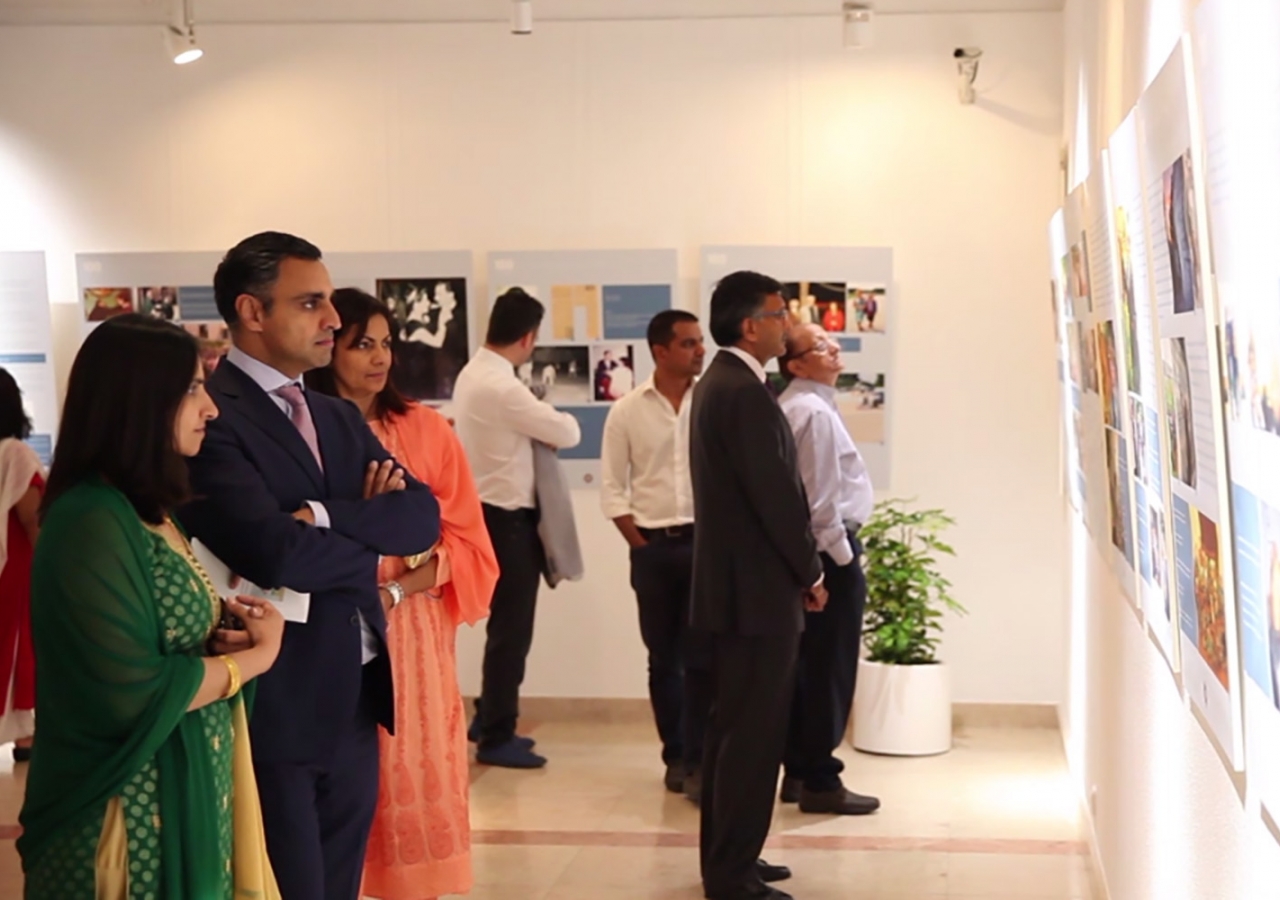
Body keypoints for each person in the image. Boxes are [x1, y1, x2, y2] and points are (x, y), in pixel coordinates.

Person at [180, 232, 442, 900]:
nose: (332, 320)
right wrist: (361, 535)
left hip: (356, 694)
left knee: (339, 883)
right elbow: (273, 552)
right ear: (253, 311)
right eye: (311, 303)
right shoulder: (214, 415)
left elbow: (420, 518)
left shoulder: (333, 414)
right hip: (280, 695)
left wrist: (323, 515)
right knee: (294, 884)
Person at [19, 315, 285, 898]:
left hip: (184, 791)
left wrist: (227, 635)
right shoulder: (90, 521)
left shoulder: (149, 513)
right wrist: (253, 661)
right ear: (137, 403)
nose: (210, 409)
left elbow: (164, 639)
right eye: (192, 388)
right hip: (123, 814)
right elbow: (126, 693)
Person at [307, 288, 500, 900]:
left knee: (407, 755)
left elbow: (466, 543)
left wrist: (395, 591)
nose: (379, 357)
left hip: (411, 627)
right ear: (326, 346)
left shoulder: (425, 429)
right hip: (323, 616)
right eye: (362, 343)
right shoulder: (301, 427)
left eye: (386, 343)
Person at [690, 271, 826, 900]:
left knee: (732, 732)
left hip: (736, 592)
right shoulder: (741, 390)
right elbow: (775, 497)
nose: (787, 324)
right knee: (750, 736)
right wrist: (811, 570)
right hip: (756, 596)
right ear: (750, 325)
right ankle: (732, 872)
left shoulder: (724, 382)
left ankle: (731, 856)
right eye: (778, 313)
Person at [453, 287, 581, 768]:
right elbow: (567, 431)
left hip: (489, 516)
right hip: (506, 522)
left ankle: (489, 719)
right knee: (512, 632)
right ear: (528, 338)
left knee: (504, 630)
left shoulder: (474, 374)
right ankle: (497, 735)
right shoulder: (502, 387)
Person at [600, 310, 711, 801]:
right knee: (665, 659)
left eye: (700, 342)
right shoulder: (626, 410)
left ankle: (704, 757)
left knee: (705, 657)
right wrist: (640, 545)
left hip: (707, 548)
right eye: (688, 343)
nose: (699, 351)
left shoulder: (711, 404)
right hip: (654, 549)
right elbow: (611, 487)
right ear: (660, 351)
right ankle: (677, 755)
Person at [776, 322, 881, 817]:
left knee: (812, 666)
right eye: (819, 346)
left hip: (821, 553)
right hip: (830, 556)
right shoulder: (811, 413)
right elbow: (819, 504)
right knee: (828, 668)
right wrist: (842, 562)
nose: (833, 347)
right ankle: (819, 776)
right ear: (796, 364)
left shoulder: (809, 405)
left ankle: (801, 770)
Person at [0, 368, 40, 762]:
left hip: (9, 567)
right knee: (18, 646)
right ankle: (25, 734)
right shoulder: (14, 453)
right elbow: (33, 519)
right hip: (14, 568)